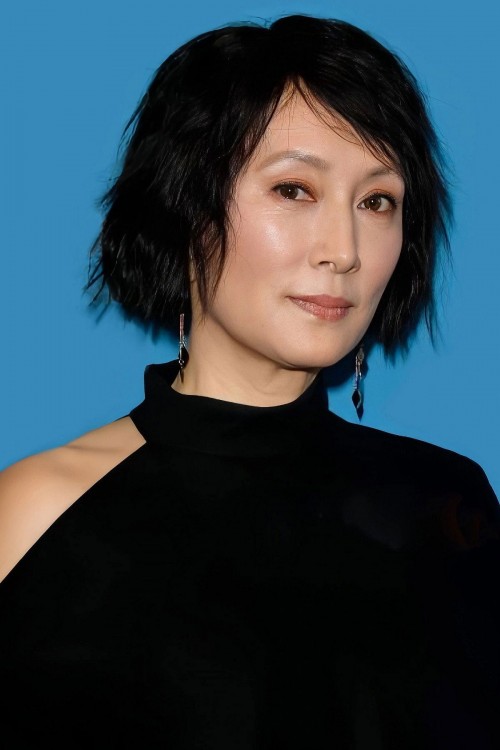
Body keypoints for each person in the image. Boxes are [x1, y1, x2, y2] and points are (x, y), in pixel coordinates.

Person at [0, 13, 498, 749]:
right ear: (185, 208)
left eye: (378, 201)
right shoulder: (36, 514)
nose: (344, 250)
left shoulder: (446, 501)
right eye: (294, 190)